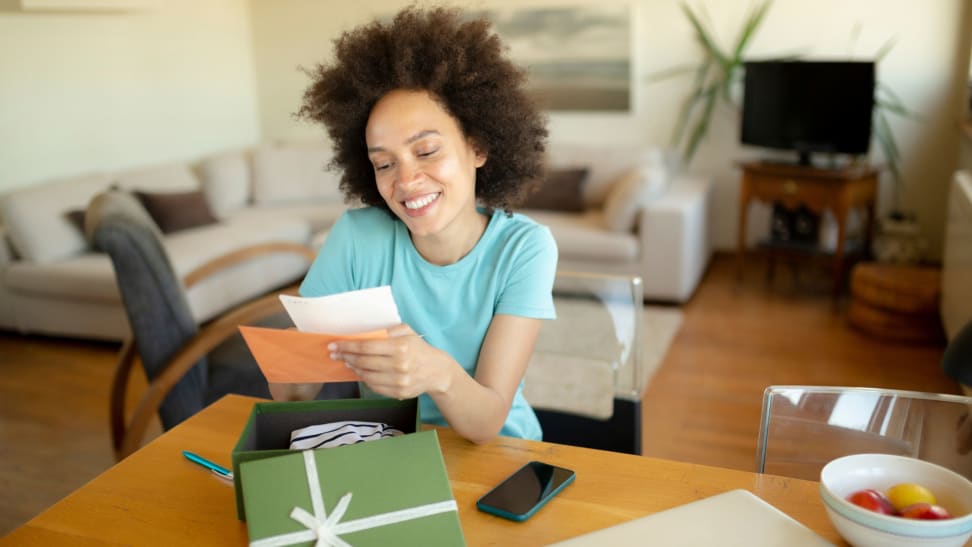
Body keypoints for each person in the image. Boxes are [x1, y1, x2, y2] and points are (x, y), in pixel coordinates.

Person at [274, 6, 557, 444]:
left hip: (498, 453)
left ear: (477, 146)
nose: (405, 181)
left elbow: (486, 422)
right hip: (385, 449)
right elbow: (292, 395)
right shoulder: (356, 236)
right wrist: (296, 361)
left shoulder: (525, 249)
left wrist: (437, 372)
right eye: (384, 163)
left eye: (426, 151)